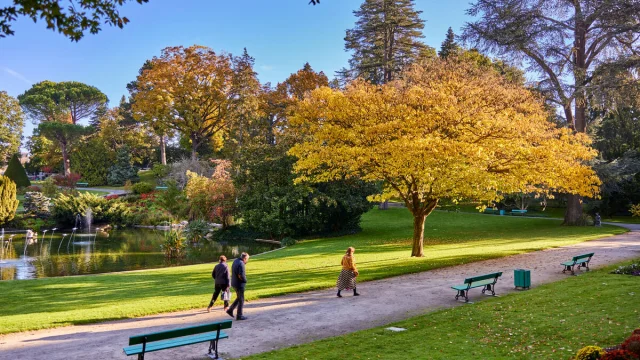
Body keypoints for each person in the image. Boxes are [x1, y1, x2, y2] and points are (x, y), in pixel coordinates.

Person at [226, 252, 250, 320]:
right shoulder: (241, 264)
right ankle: (239, 315)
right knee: (241, 299)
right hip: (239, 284)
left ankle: (230, 310)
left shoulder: (235, 261)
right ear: (245, 258)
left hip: (234, 283)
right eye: (247, 259)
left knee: (239, 298)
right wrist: (245, 280)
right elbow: (240, 275)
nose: (247, 261)